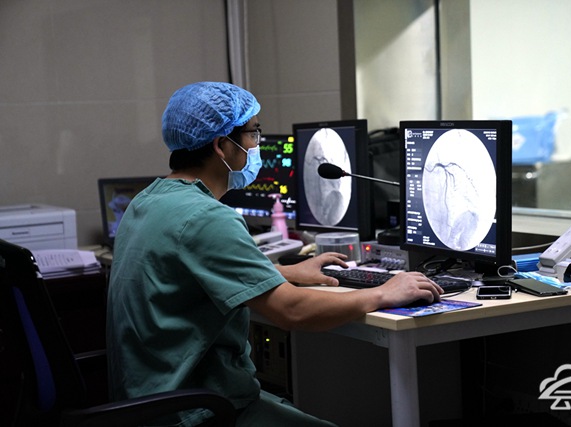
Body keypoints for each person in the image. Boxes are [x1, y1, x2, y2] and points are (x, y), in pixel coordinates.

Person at [106, 81, 443, 427]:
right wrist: (384, 293)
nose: (257, 145)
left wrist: (283, 273)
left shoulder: (148, 201)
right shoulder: (207, 217)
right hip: (197, 412)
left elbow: (183, 276)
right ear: (222, 145)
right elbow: (292, 311)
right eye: (253, 134)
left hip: (149, 404)